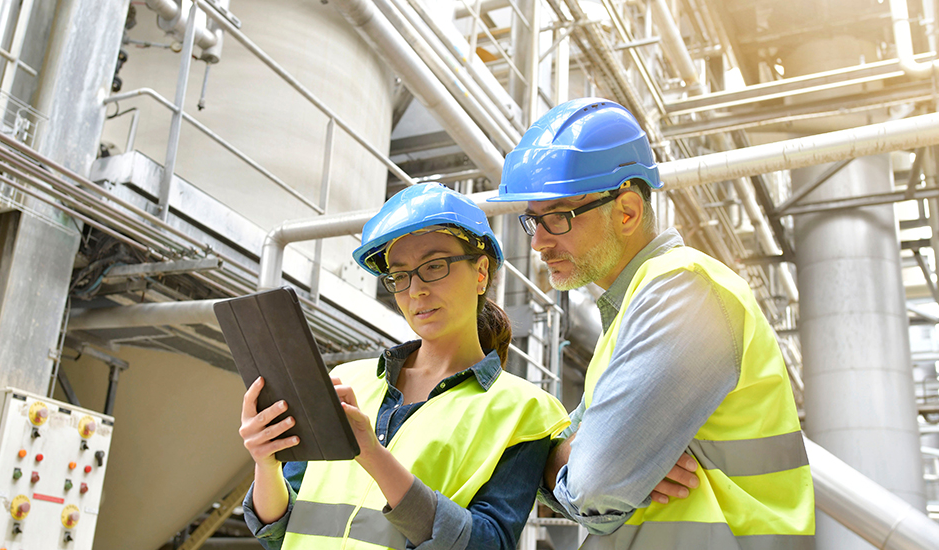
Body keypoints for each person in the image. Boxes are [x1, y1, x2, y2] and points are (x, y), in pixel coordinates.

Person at [490, 98, 815, 549]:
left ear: (627, 211)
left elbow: (594, 483)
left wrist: (575, 467)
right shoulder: (632, 308)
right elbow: (573, 467)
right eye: (533, 221)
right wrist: (567, 462)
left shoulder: (684, 290)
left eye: (558, 217)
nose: (539, 242)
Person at [237, 183, 570, 550]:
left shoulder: (525, 411)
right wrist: (266, 462)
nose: (415, 291)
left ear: (481, 272)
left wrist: (371, 453)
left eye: (434, 266)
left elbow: (487, 544)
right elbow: (277, 531)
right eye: (399, 275)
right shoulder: (348, 379)